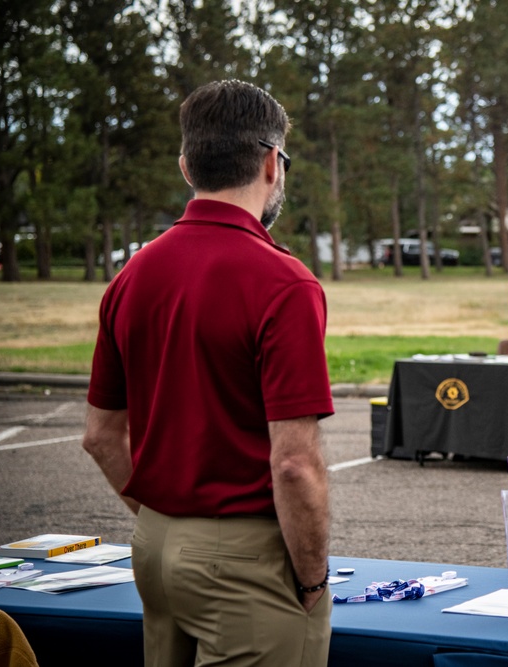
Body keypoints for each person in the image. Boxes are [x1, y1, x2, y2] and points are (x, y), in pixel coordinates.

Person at [82, 80, 334, 666]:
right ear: (273, 163)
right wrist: (312, 580)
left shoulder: (134, 274)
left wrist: (166, 524)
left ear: (186, 165)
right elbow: (295, 462)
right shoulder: (283, 282)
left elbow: (99, 435)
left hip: (154, 544)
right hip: (244, 556)